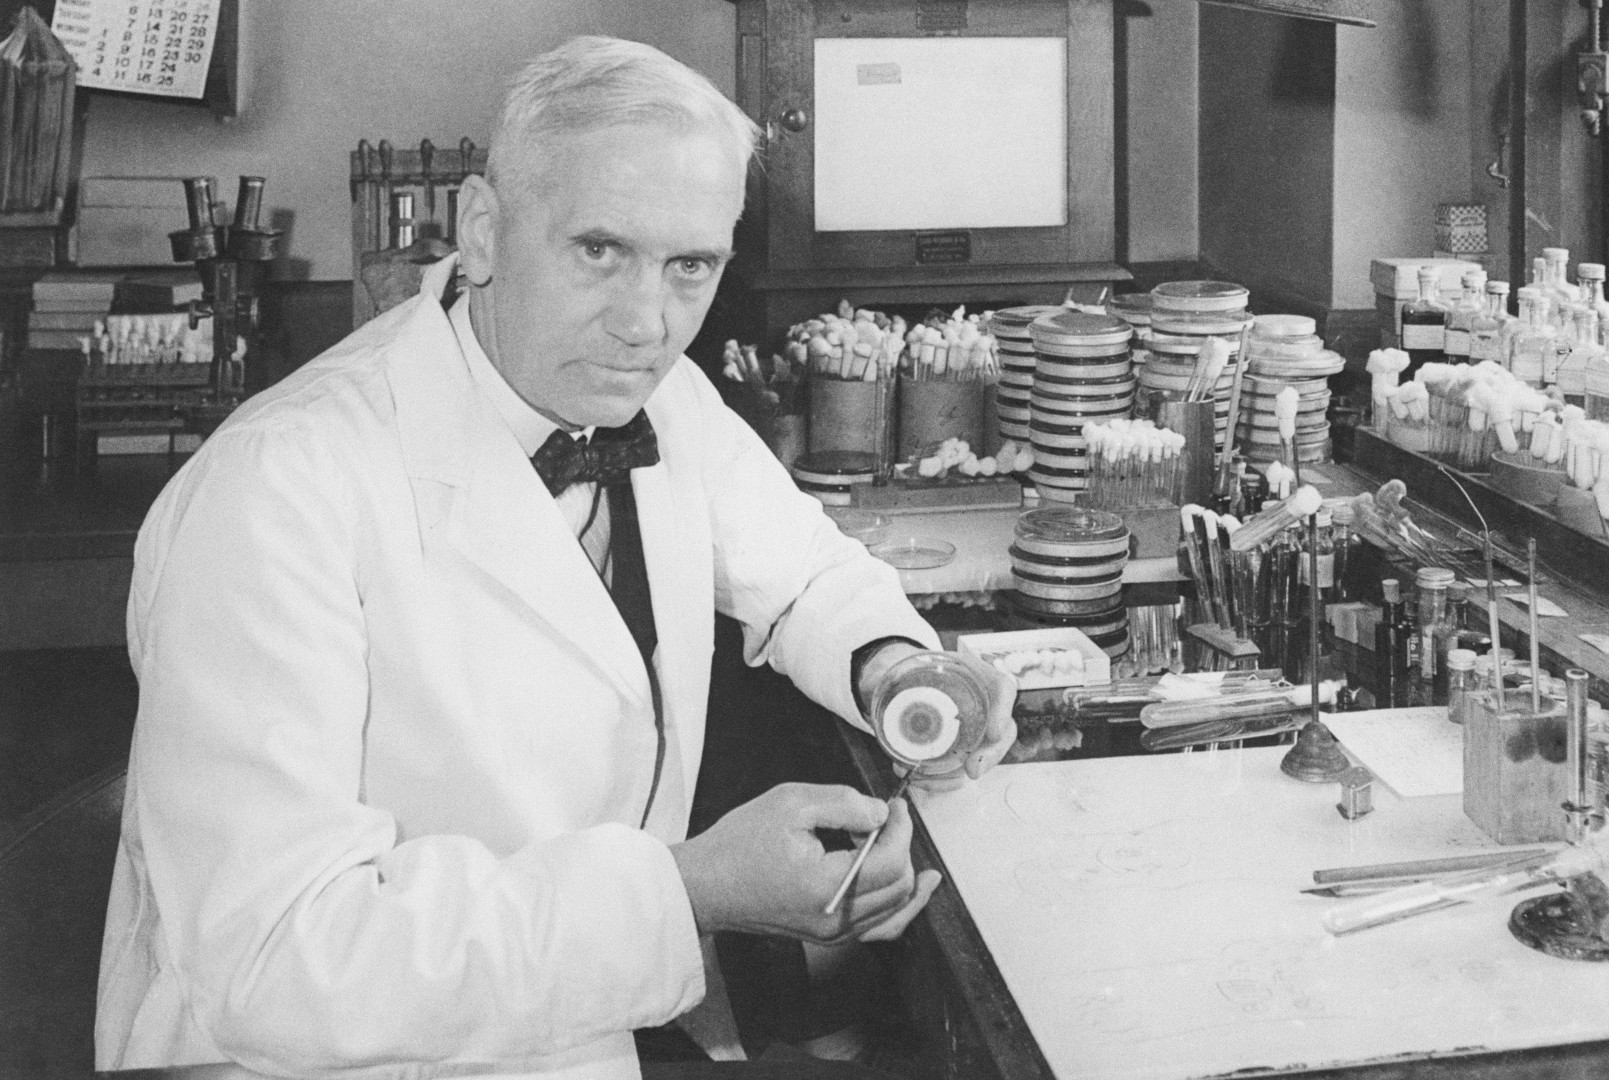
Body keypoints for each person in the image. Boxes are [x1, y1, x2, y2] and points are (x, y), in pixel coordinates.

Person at [94, 36, 1016, 1080]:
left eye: (690, 267)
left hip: (562, 1027)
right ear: (482, 229)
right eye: (598, 251)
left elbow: (806, 575)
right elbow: (271, 965)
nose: (646, 323)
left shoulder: (656, 393)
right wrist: (689, 891)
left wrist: (900, 671)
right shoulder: (273, 491)